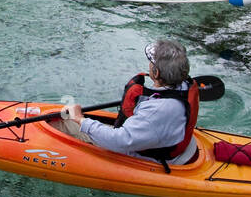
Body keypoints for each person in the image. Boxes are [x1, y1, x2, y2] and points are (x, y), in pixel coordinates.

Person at [59, 39, 199, 167]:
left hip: (153, 156)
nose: (149, 64)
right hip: (171, 143)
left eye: (151, 62)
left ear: (156, 73)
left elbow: (120, 141)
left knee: (62, 125)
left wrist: (80, 119)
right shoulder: (184, 85)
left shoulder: (157, 111)